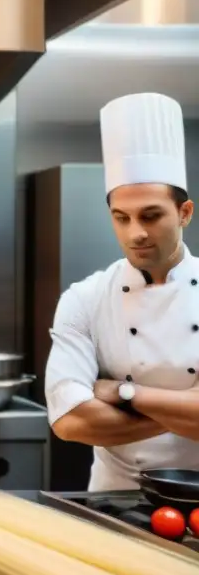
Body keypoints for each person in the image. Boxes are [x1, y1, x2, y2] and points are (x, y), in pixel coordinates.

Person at [46, 92, 199, 491]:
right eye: (122, 218)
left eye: (151, 215)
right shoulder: (84, 298)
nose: (137, 233)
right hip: (116, 498)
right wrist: (186, 411)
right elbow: (70, 421)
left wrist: (124, 393)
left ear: (185, 213)